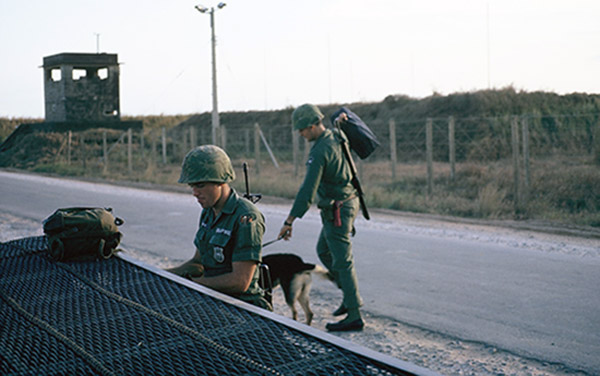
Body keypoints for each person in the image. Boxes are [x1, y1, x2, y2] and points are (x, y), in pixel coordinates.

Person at [278, 104, 364, 331]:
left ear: (314, 125)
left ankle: (354, 314)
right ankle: (348, 294)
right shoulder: (336, 134)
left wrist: (290, 221)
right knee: (324, 251)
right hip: (349, 203)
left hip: (338, 210)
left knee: (343, 263)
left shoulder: (319, 151)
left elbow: (307, 190)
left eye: (303, 129)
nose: (300, 134)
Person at [166, 145, 271, 310]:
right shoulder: (208, 212)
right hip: (215, 300)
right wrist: (165, 274)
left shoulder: (246, 217)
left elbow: (240, 282)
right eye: (192, 186)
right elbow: (198, 264)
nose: (194, 192)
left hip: (245, 308)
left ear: (220, 182)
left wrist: (191, 284)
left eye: (200, 185)